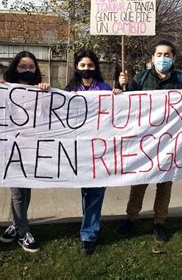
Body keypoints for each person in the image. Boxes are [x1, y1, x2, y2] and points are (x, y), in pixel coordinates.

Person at [117, 40, 182, 242]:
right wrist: (121, 86)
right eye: (159, 54)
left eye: (167, 55)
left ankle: (160, 221)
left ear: (174, 58)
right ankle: (131, 217)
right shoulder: (140, 79)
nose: (162, 58)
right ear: (152, 58)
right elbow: (126, 105)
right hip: (144, 142)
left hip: (170, 143)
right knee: (139, 182)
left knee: (164, 184)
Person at [64, 49, 122, 255]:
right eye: (82, 66)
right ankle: (89, 224)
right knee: (86, 191)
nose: (86, 69)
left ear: (95, 67)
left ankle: (89, 234)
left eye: (90, 66)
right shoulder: (69, 89)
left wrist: (118, 96)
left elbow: (118, 112)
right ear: (77, 68)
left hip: (100, 149)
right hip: (79, 149)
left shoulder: (105, 88)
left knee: (96, 192)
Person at [0, 51, 49, 253]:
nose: (27, 70)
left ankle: (15, 224)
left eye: (31, 67)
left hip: (31, 147)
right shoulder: (2, 87)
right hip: (9, 147)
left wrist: (47, 91)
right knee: (18, 191)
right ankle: (23, 233)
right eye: (22, 66)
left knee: (26, 189)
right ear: (14, 68)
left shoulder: (40, 90)